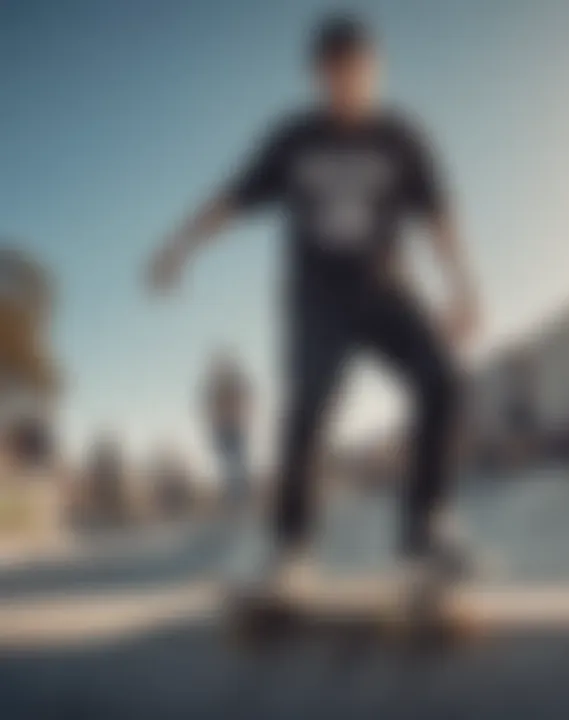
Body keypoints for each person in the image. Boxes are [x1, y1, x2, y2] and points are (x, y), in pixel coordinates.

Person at [148, 13, 480, 588]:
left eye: (356, 72)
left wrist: (462, 287)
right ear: (317, 76)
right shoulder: (293, 138)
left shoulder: (402, 137)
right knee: (309, 408)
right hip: (316, 297)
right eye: (333, 75)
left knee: (442, 380)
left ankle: (426, 531)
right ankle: (291, 546)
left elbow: (437, 215)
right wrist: (181, 246)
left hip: (385, 288)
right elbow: (233, 198)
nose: (345, 86)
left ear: (375, 70)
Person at [202, 350, 252, 510]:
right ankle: (236, 494)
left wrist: (241, 416)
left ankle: (240, 494)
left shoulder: (232, 381)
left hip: (234, 426)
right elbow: (210, 406)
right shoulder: (216, 385)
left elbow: (244, 396)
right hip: (223, 428)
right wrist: (213, 424)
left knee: (237, 460)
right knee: (229, 462)